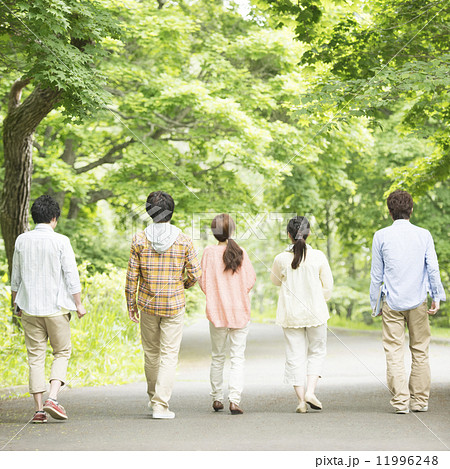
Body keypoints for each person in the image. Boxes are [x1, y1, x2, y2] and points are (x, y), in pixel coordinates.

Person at [11, 195, 87, 424]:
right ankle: (52, 398)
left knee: (35, 357)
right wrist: (79, 303)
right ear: (54, 218)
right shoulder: (61, 241)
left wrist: (15, 303)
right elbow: (71, 275)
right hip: (56, 308)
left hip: (29, 308)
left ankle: (38, 410)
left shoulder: (21, 240)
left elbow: (16, 277)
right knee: (61, 352)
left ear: (34, 217)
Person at [125, 191, 201, 419]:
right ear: (171, 211)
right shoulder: (183, 239)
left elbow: (132, 276)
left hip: (148, 304)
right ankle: (161, 404)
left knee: (151, 353)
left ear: (149, 211)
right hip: (173, 304)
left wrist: (131, 302)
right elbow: (196, 273)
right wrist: (183, 284)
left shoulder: (139, 239)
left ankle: (153, 399)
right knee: (169, 354)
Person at [370, 189, 446, 414]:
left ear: (390, 212)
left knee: (394, 351)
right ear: (411, 210)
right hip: (418, 302)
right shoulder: (424, 235)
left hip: (391, 303)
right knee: (420, 350)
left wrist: (375, 304)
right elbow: (432, 268)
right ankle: (420, 401)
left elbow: (376, 275)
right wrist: (437, 296)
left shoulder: (380, 236)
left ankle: (401, 401)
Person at [271, 216, 333, 413]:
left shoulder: (281, 259)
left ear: (288, 235)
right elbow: (328, 287)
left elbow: (275, 281)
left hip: (291, 315)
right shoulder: (318, 256)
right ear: (309, 233)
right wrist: (318, 299)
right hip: (316, 312)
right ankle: (311, 392)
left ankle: (300, 402)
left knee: (294, 356)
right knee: (316, 352)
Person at [199, 214, 256, 415]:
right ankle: (234, 400)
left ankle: (216, 398)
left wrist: (216, 296)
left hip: (217, 312)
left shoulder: (208, 252)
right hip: (239, 311)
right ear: (232, 231)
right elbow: (250, 280)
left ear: (214, 232)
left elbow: (203, 282)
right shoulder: (240, 251)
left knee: (218, 356)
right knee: (237, 358)